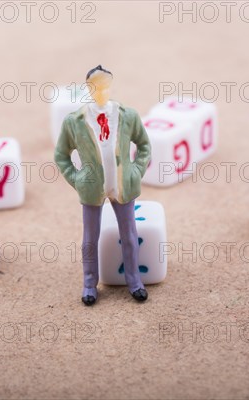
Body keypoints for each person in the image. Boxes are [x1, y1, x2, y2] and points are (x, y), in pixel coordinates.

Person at [54, 65, 152, 306]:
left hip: (123, 186)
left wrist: (136, 171)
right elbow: (61, 155)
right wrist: (76, 179)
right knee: (90, 238)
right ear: (88, 89)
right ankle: (89, 283)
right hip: (91, 187)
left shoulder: (127, 115)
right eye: (96, 86)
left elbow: (145, 146)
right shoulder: (74, 121)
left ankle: (134, 281)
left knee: (129, 235)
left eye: (105, 85)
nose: (102, 90)